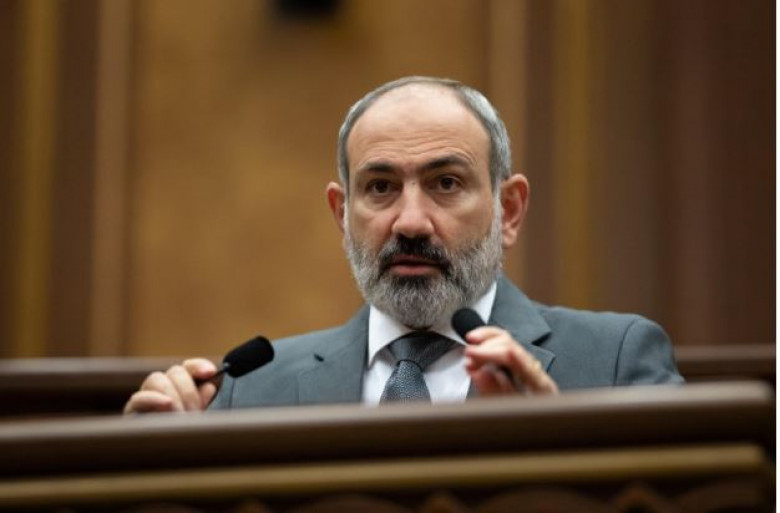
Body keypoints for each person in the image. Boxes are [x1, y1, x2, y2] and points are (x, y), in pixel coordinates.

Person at [124, 76, 683, 414]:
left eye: (446, 183)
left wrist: (551, 448)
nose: (410, 222)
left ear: (509, 210)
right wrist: (152, 477)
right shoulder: (249, 392)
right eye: (380, 188)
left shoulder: (616, 361)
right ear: (343, 215)